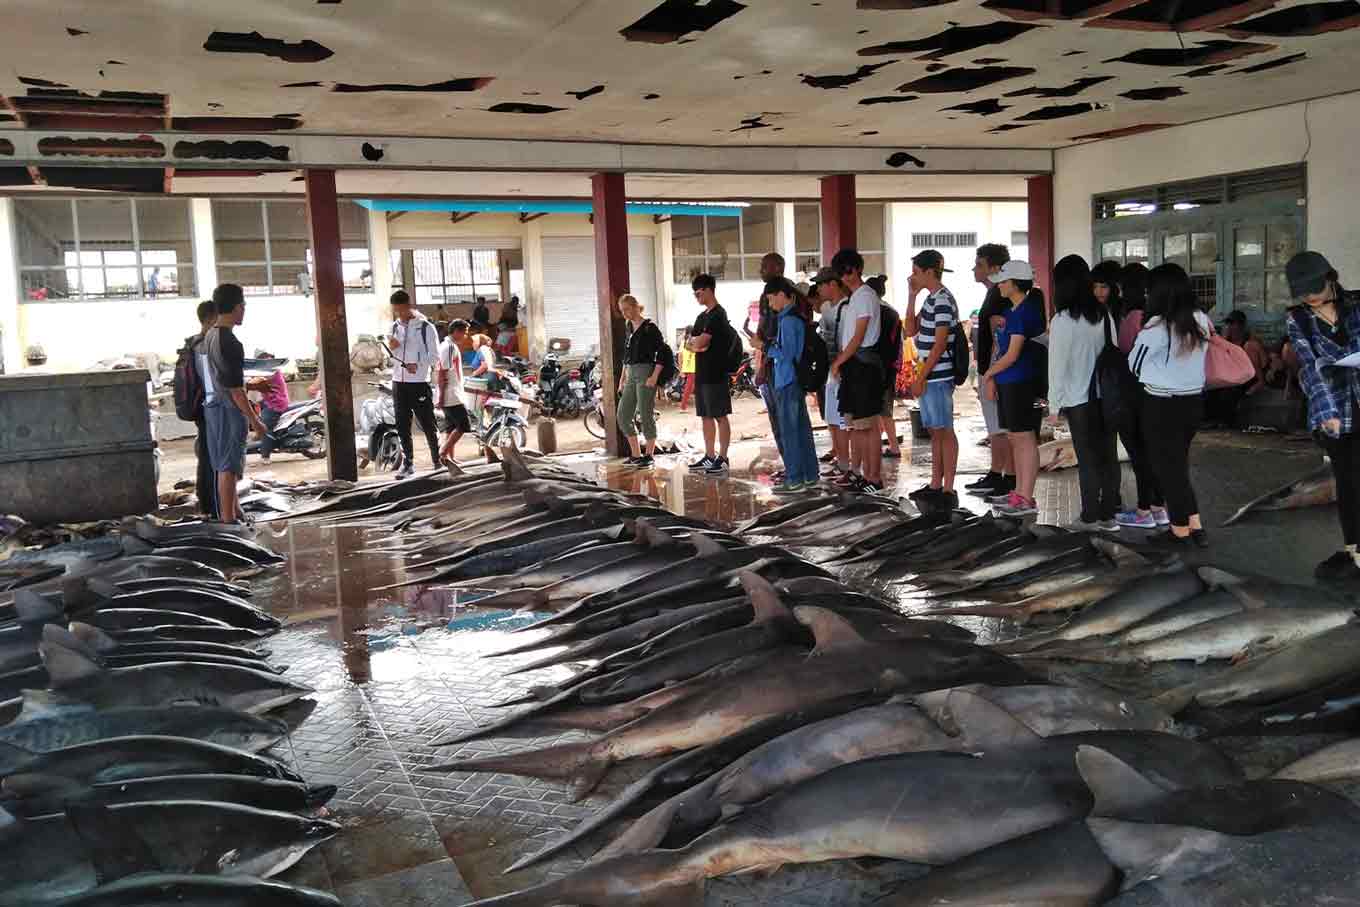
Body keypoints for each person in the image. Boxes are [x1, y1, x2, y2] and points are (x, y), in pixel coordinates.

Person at [1284, 252, 1360, 580]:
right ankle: (1355, 552)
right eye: (1303, 291)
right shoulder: (1297, 319)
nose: (1310, 296)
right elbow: (1310, 367)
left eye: (1315, 287)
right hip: (1335, 407)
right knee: (1349, 482)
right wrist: (1326, 413)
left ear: (1331, 277)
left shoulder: (1356, 305)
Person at [1129, 263, 1212, 548]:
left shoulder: (1156, 328)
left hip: (1162, 405)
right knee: (1178, 467)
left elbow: (1134, 366)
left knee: (1168, 470)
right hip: (1193, 404)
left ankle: (1179, 532)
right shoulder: (1200, 319)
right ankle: (1195, 526)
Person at [1048, 255, 1120, 531]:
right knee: (1108, 456)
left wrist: (1053, 406)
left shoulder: (1062, 320)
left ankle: (1090, 515)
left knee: (1087, 459)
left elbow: (1057, 366)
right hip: (1107, 398)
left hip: (1079, 400)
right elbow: (1114, 354)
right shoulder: (1103, 315)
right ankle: (1110, 512)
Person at [981, 261, 1047, 517]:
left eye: (1004, 281)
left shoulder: (1023, 312)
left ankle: (1026, 497)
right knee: (1015, 438)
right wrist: (995, 378)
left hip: (1021, 383)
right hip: (1010, 382)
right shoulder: (1013, 311)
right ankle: (1019, 493)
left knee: (1024, 438)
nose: (999, 285)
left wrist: (988, 375)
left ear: (1016, 284)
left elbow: (1012, 354)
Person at [201, 284, 267, 525]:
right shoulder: (230, 342)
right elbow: (236, 391)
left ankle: (234, 511)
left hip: (213, 409)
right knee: (229, 465)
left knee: (222, 464)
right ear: (238, 307)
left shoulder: (209, 335)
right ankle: (228, 521)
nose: (244, 312)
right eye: (243, 307)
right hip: (229, 410)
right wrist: (255, 421)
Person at [1113, 263, 1168, 529]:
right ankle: (1158, 509)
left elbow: (1125, 353)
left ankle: (1145, 510)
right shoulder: (1158, 315)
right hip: (1156, 393)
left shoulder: (1133, 317)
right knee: (1152, 454)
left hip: (1134, 394)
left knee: (1139, 455)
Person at [904, 250, 960, 505]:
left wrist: (921, 377)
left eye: (916, 272)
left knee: (944, 430)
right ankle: (936, 483)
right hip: (929, 374)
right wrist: (912, 296)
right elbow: (910, 329)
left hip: (937, 375)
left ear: (928, 272)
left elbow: (939, 345)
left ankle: (947, 487)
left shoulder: (942, 300)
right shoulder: (930, 299)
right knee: (935, 431)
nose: (912, 277)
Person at [829, 249, 884, 494]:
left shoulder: (864, 296)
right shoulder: (855, 298)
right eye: (842, 272)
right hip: (855, 365)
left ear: (858, 269)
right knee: (858, 427)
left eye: (850, 270)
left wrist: (838, 361)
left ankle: (874, 477)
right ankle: (863, 474)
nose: (847, 276)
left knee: (869, 427)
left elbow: (859, 336)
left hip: (863, 366)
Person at [965, 244, 1016, 498]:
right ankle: (998, 473)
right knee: (996, 427)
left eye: (979, 264)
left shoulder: (1000, 295)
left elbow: (1000, 337)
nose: (974, 269)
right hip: (990, 369)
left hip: (996, 371)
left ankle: (1007, 478)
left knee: (1000, 428)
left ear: (994, 268)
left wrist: (992, 374)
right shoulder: (993, 294)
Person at [765, 277, 817, 493]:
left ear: (780, 294)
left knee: (790, 431)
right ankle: (810, 474)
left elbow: (786, 354)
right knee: (802, 429)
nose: (770, 305)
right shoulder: (795, 317)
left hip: (787, 380)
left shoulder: (787, 321)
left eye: (770, 299)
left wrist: (765, 347)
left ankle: (794, 478)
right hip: (794, 379)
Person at [387, 289, 441, 477]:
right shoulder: (394, 327)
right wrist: (391, 350)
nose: (399, 315)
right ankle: (408, 463)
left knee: (427, 423)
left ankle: (437, 460)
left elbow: (435, 357)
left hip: (418, 382)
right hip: (398, 382)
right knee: (402, 424)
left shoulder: (426, 327)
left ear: (409, 305)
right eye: (396, 311)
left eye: (402, 310)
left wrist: (416, 364)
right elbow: (392, 357)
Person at [686, 274, 733, 475]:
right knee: (705, 416)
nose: (697, 297)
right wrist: (697, 345)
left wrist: (697, 345)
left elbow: (699, 342)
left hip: (717, 373)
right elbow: (689, 343)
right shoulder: (701, 317)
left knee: (720, 415)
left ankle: (723, 457)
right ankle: (709, 455)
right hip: (702, 373)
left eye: (698, 293)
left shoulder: (718, 315)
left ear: (708, 290)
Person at [745, 254, 787, 464]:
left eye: (765, 266)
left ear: (778, 267)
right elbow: (763, 327)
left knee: (785, 417)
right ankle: (788, 464)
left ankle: (794, 467)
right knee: (775, 416)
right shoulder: (767, 293)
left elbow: (773, 332)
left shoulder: (787, 293)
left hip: (780, 364)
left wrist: (764, 353)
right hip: (768, 360)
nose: (761, 270)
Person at [617, 294, 665, 468]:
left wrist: (655, 376)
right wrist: (622, 379)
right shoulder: (629, 327)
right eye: (622, 311)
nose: (625, 314)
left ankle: (649, 455)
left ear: (636, 306)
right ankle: (636, 454)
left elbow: (663, 353)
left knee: (645, 414)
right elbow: (626, 356)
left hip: (646, 372)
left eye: (627, 309)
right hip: (631, 372)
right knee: (623, 415)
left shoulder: (650, 328)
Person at [812, 267, 851, 478]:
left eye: (821, 284)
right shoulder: (827, 308)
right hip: (830, 370)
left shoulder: (846, 309)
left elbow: (849, 342)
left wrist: (839, 366)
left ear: (833, 284)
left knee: (844, 422)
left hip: (842, 371)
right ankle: (841, 462)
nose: (818, 289)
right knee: (832, 419)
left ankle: (847, 466)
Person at [1205, 310, 1269, 425]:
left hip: (1249, 379)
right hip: (1232, 378)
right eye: (1228, 324)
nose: (1230, 327)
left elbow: (1259, 373)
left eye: (1233, 324)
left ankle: (1226, 422)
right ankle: (1211, 420)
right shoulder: (1226, 343)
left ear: (1241, 326)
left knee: (1229, 394)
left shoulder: (1250, 344)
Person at [869, 274, 904, 460]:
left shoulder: (874, 310)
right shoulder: (892, 312)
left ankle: (891, 447)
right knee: (885, 409)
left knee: (879, 410)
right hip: (889, 367)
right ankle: (891, 445)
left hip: (876, 366)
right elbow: (898, 344)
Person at [188, 300, 218, 519]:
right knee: (213, 458)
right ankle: (212, 505)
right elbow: (213, 382)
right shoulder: (205, 345)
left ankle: (206, 501)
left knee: (207, 455)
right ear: (209, 319)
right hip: (210, 407)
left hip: (201, 407)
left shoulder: (193, 342)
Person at [435, 319, 473, 465]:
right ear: (457, 331)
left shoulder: (447, 346)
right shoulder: (449, 347)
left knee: (451, 427)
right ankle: (443, 452)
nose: (465, 336)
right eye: (464, 333)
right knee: (464, 425)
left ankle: (449, 458)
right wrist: (442, 397)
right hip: (451, 394)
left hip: (450, 393)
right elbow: (442, 373)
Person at [246, 367, 291, 464]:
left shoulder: (272, 371)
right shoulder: (268, 370)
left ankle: (265, 456)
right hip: (269, 402)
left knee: (264, 428)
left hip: (276, 404)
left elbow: (256, 381)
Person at [678, 329, 697, 411]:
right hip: (692, 366)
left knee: (692, 386)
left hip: (689, 366)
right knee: (690, 387)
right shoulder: (693, 340)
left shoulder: (684, 341)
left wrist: (681, 368)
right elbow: (681, 355)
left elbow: (680, 355)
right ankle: (683, 406)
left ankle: (684, 404)